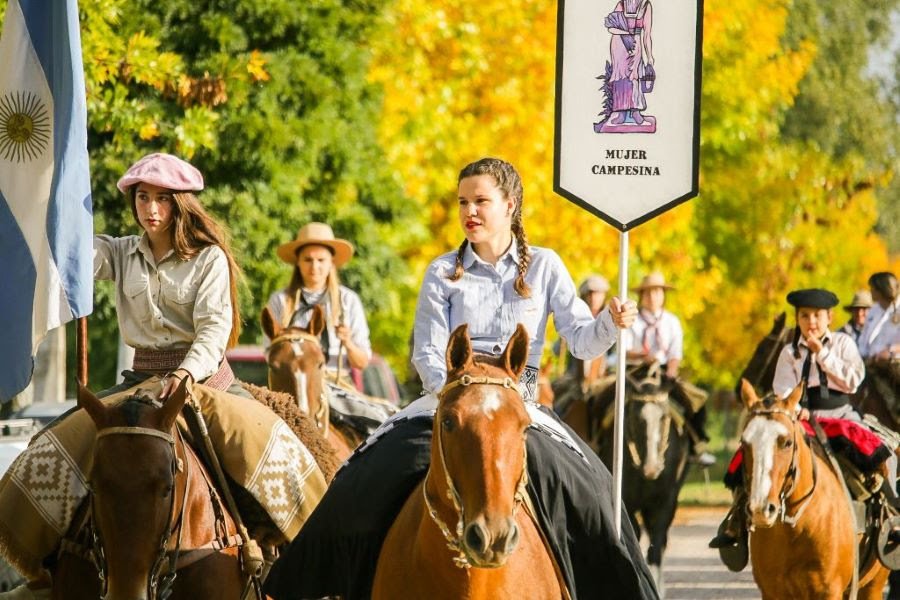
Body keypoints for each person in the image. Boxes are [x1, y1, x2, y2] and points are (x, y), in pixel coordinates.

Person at [265, 157, 659, 600]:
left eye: (481, 201)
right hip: (447, 401)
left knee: (596, 498)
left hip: (521, 406)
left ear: (510, 205)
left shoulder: (545, 267)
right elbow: (427, 354)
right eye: (462, 202)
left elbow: (583, 343)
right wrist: (459, 393)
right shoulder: (441, 271)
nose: (469, 211)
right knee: (357, 482)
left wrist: (610, 321)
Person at [0, 153, 327, 600]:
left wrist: (186, 374)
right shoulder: (118, 252)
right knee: (53, 447)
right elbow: (72, 255)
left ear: (180, 204)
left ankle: (285, 560)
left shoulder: (208, 258)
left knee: (264, 446)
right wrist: (54, 202)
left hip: (205, 382)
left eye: (161, 199)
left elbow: (214, 329)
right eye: (142, 198)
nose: (150, 209)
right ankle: (45, 570)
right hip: (138, 381)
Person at [709, 288, 897, 550]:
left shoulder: (843, 344)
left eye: (817, 316)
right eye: (805, 316)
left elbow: (853, 381)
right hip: (801, 419)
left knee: (880, 450)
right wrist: (797, 412)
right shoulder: (789, 353)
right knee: (751, 450)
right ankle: (738, 516)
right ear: (797, 319)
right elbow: (783, 390)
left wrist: (822, 353)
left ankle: (891, 513)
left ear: (829, 317)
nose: (812, 322)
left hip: (841, 416)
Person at [624, 272, 715, 466]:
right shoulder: (633, 320)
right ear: (641, 296)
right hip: (635, 374)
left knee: (696, 400)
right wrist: (642, 356)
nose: (653, 297)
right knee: (603, 398)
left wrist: (671, 372)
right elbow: (625, 349)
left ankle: (696, 446)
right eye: (648, 293)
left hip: (664, 373)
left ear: (663, 295)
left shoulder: (672, 322)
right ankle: (596, 440)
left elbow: (675, 353)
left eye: (657, 292)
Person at [267, 222, 372, 377]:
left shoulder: (348, 301)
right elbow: (270, 355)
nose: (314, 266)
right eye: (308, 260)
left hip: (337, 382)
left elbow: (361, 363)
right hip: (295, 381)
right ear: (298, 262)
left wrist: (348, 343)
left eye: (321, 260)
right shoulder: (280, 300)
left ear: (332, 263)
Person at [594, 0, 657, 133]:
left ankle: (635, 111)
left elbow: (647, 34)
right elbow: (611, 27)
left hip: (636, 44)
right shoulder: (621, 4)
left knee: (635, 75)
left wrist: (650, 56)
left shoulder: (646, 5)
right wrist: (625, 33)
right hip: (620, 45)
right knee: (620, 77)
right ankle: (621, 112)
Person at [858, 272, 900, 364]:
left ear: (882, 289)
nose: (870, 291)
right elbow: (864, 337)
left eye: (872, 288)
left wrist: (890, 351)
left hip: (895, 364)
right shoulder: (874, 310)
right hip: (872, 363)